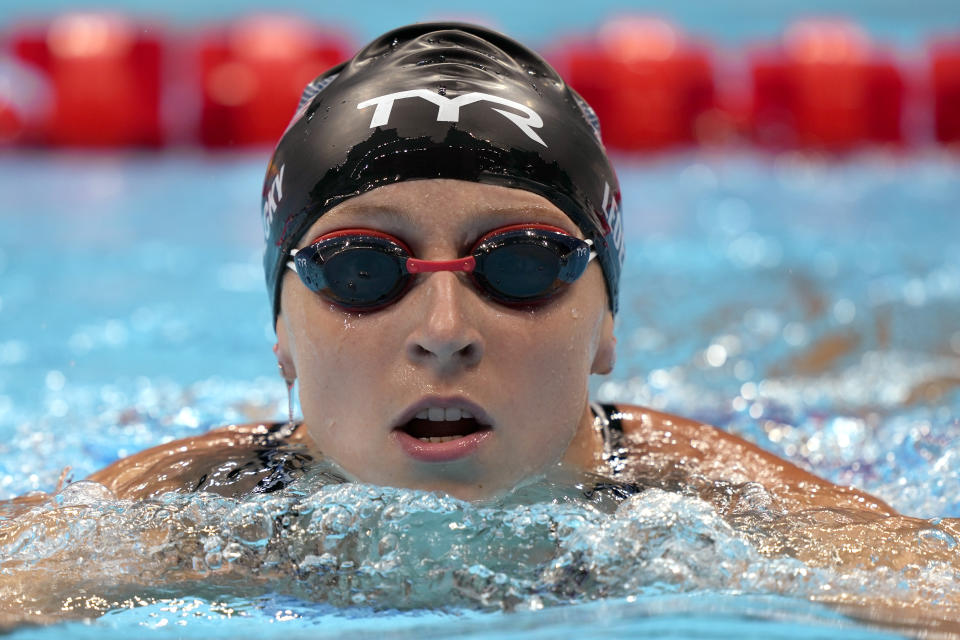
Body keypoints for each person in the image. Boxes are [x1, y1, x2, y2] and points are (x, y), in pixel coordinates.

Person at [3, 26, 959, 629]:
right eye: (362, 268)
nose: (445, 329)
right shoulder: (183, 509)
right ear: (282, 334)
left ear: (606, 330)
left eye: (524, 263)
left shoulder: (706, 502)